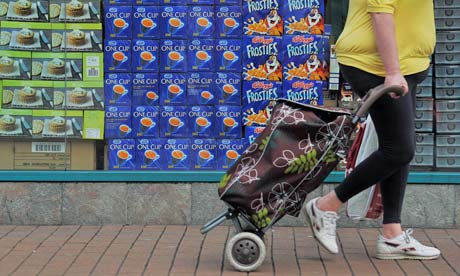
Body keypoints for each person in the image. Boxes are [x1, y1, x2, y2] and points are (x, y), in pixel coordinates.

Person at [304, 0, 441, 259]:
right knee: (399, 149)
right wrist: (392, 71)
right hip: (375, 65)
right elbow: (380, 12)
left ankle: (392, 235)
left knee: (398, 145)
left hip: (405, 65)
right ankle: (325, 206)